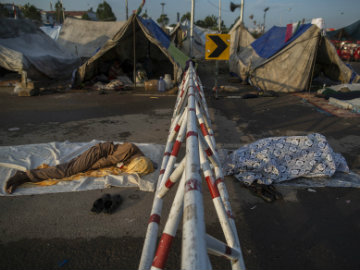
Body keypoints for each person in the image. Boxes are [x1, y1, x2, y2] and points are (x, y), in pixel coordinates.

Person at [5, 142, 154, 194]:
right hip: (97, 153)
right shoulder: (128, 151)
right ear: (136, 161)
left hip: (99, 155)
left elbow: (150, 165)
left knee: (72, 169)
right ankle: (25, 176)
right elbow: (104, 161)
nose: (131, 170)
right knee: (68, 171)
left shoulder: (137, 157)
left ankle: (28, 175)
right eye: (135, 169)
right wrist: (85, 167)